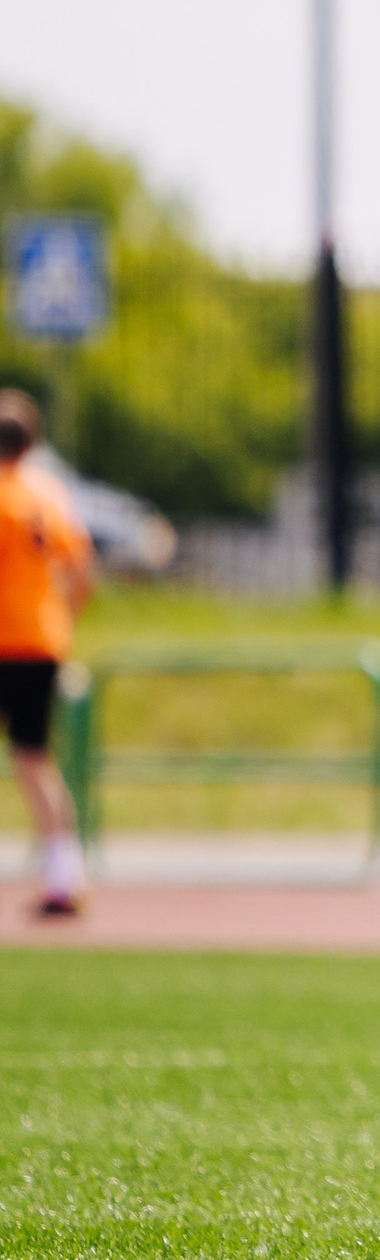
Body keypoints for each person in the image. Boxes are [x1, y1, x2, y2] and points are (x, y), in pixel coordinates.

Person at [0, 392, 96, 917]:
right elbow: (83, 569)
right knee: (35, 759)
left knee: (30, 759)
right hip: (42, 640)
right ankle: (64, 875)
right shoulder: (48, 495)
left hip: (5, 640)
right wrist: (63, 619)